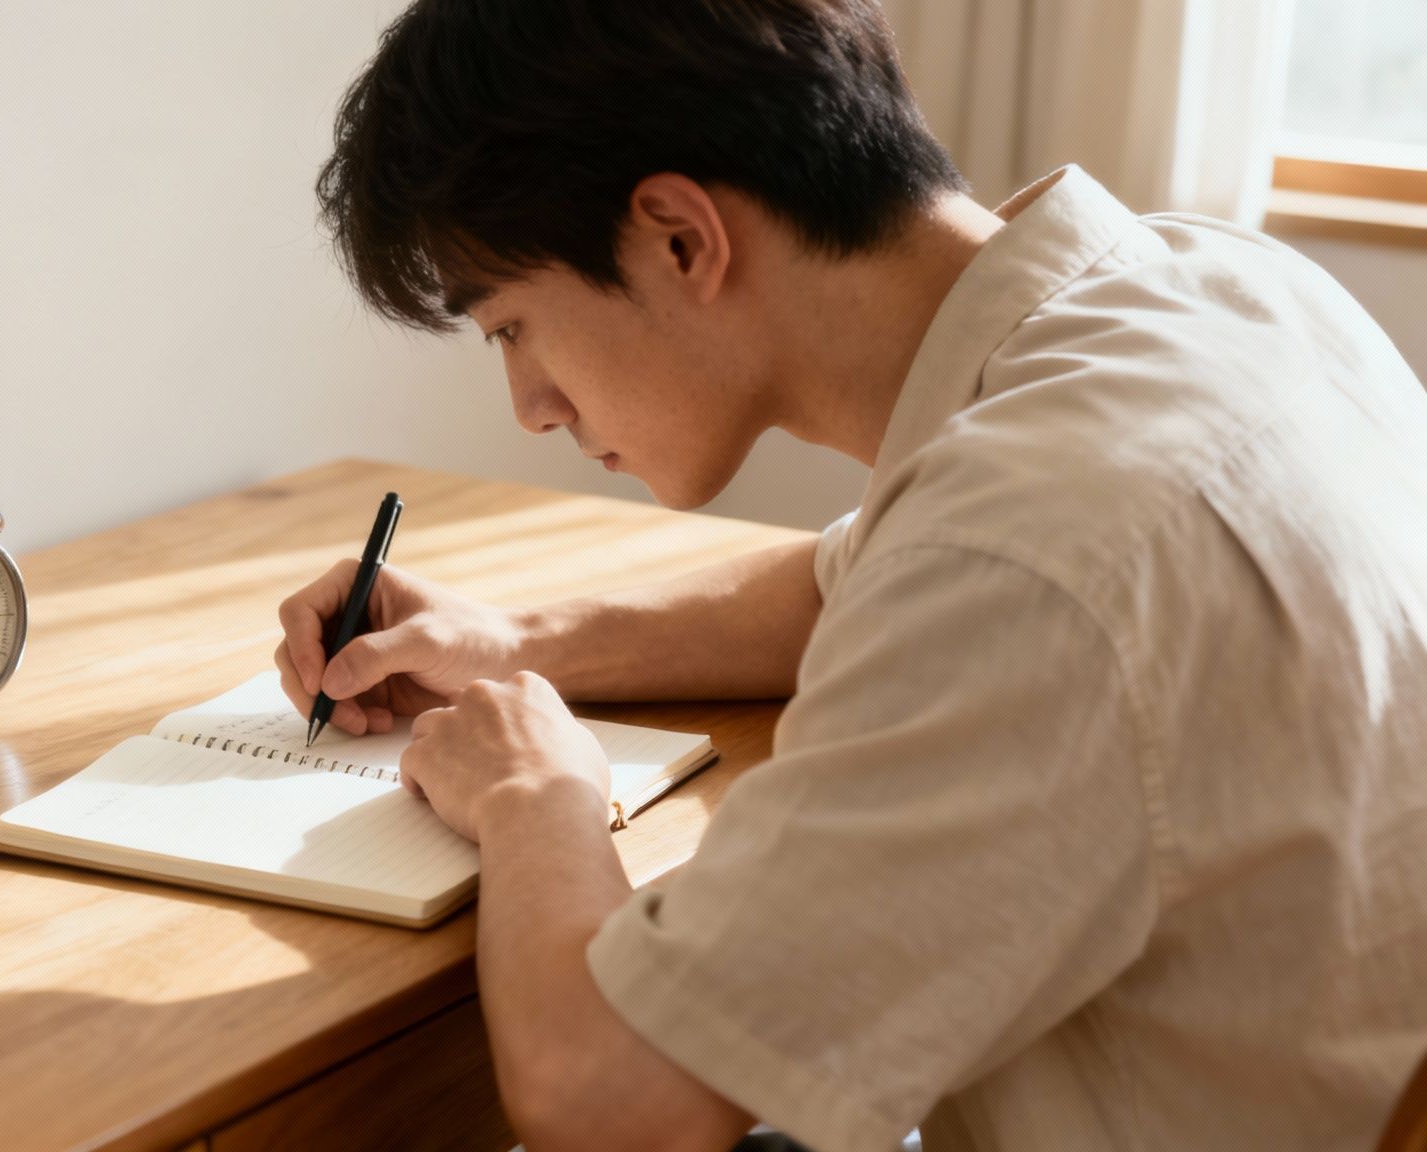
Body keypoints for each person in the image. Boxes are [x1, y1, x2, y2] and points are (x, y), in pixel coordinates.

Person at [274, 1, 1427, 1150]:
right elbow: (854, 584)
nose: (528, 408)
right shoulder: (1215, 288)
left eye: (511, 327)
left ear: (679, 237)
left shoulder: (1023, 551)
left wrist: (536, 797)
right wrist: (513, 642)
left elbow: (609, 1102)